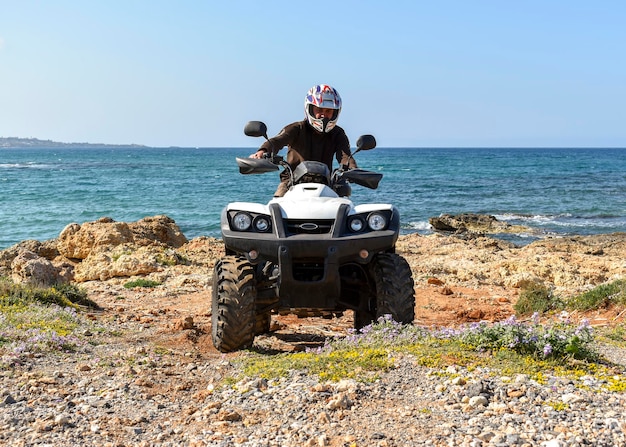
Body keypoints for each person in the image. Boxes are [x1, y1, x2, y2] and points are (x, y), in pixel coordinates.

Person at [251, 84, 357, 197]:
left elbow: (345, 155)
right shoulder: (297, 128)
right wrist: (262, 151)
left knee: (345, 202)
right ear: (310, 108)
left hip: (326, 184)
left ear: (335, 113)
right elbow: (278, 140)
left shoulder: (337, 133)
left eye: (328, 111)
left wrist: (353, 170)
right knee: (276, 206)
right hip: (291, 183)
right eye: (319, 109)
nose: (323, 115)